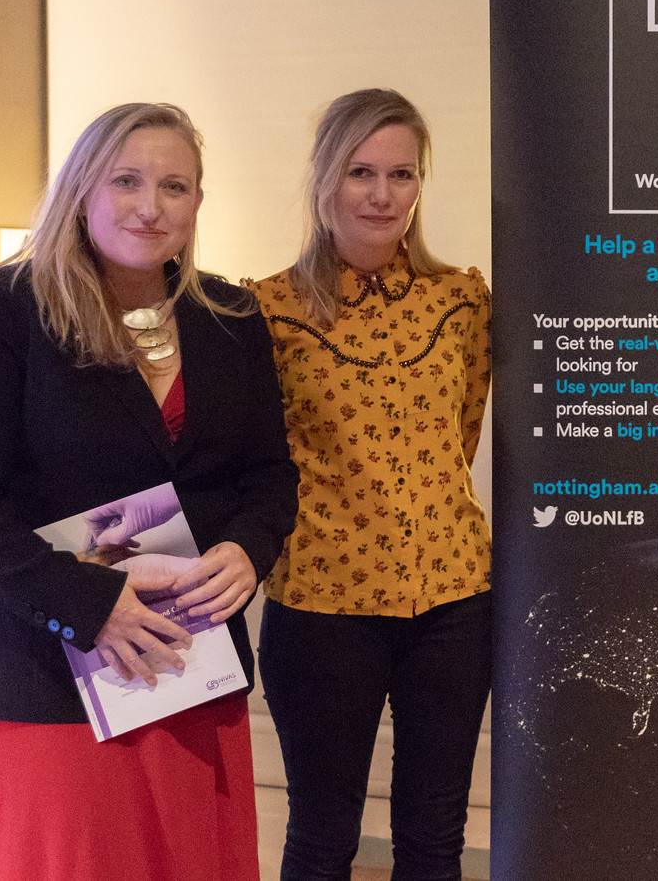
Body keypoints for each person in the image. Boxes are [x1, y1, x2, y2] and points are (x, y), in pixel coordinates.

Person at [0, 103, 299, 881]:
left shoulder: (231, 317)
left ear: (198, 201)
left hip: (189, 671)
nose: (150, 206)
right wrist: (90, 602)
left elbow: (269, 473)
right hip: (54, 678)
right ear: (82, 188)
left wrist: (248, 549)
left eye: (174, 186)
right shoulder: (2, 308)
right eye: (126, 181)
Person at [250, 89, 491, 881]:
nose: (383, 194)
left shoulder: (462, 301)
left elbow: (461, 434)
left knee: (434, 838)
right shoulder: (266, 311)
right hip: (323, 608)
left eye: (402, 173)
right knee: (324, 837)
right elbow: (255, 462)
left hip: (453, 602)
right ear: (325, 178)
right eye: (361, 172)